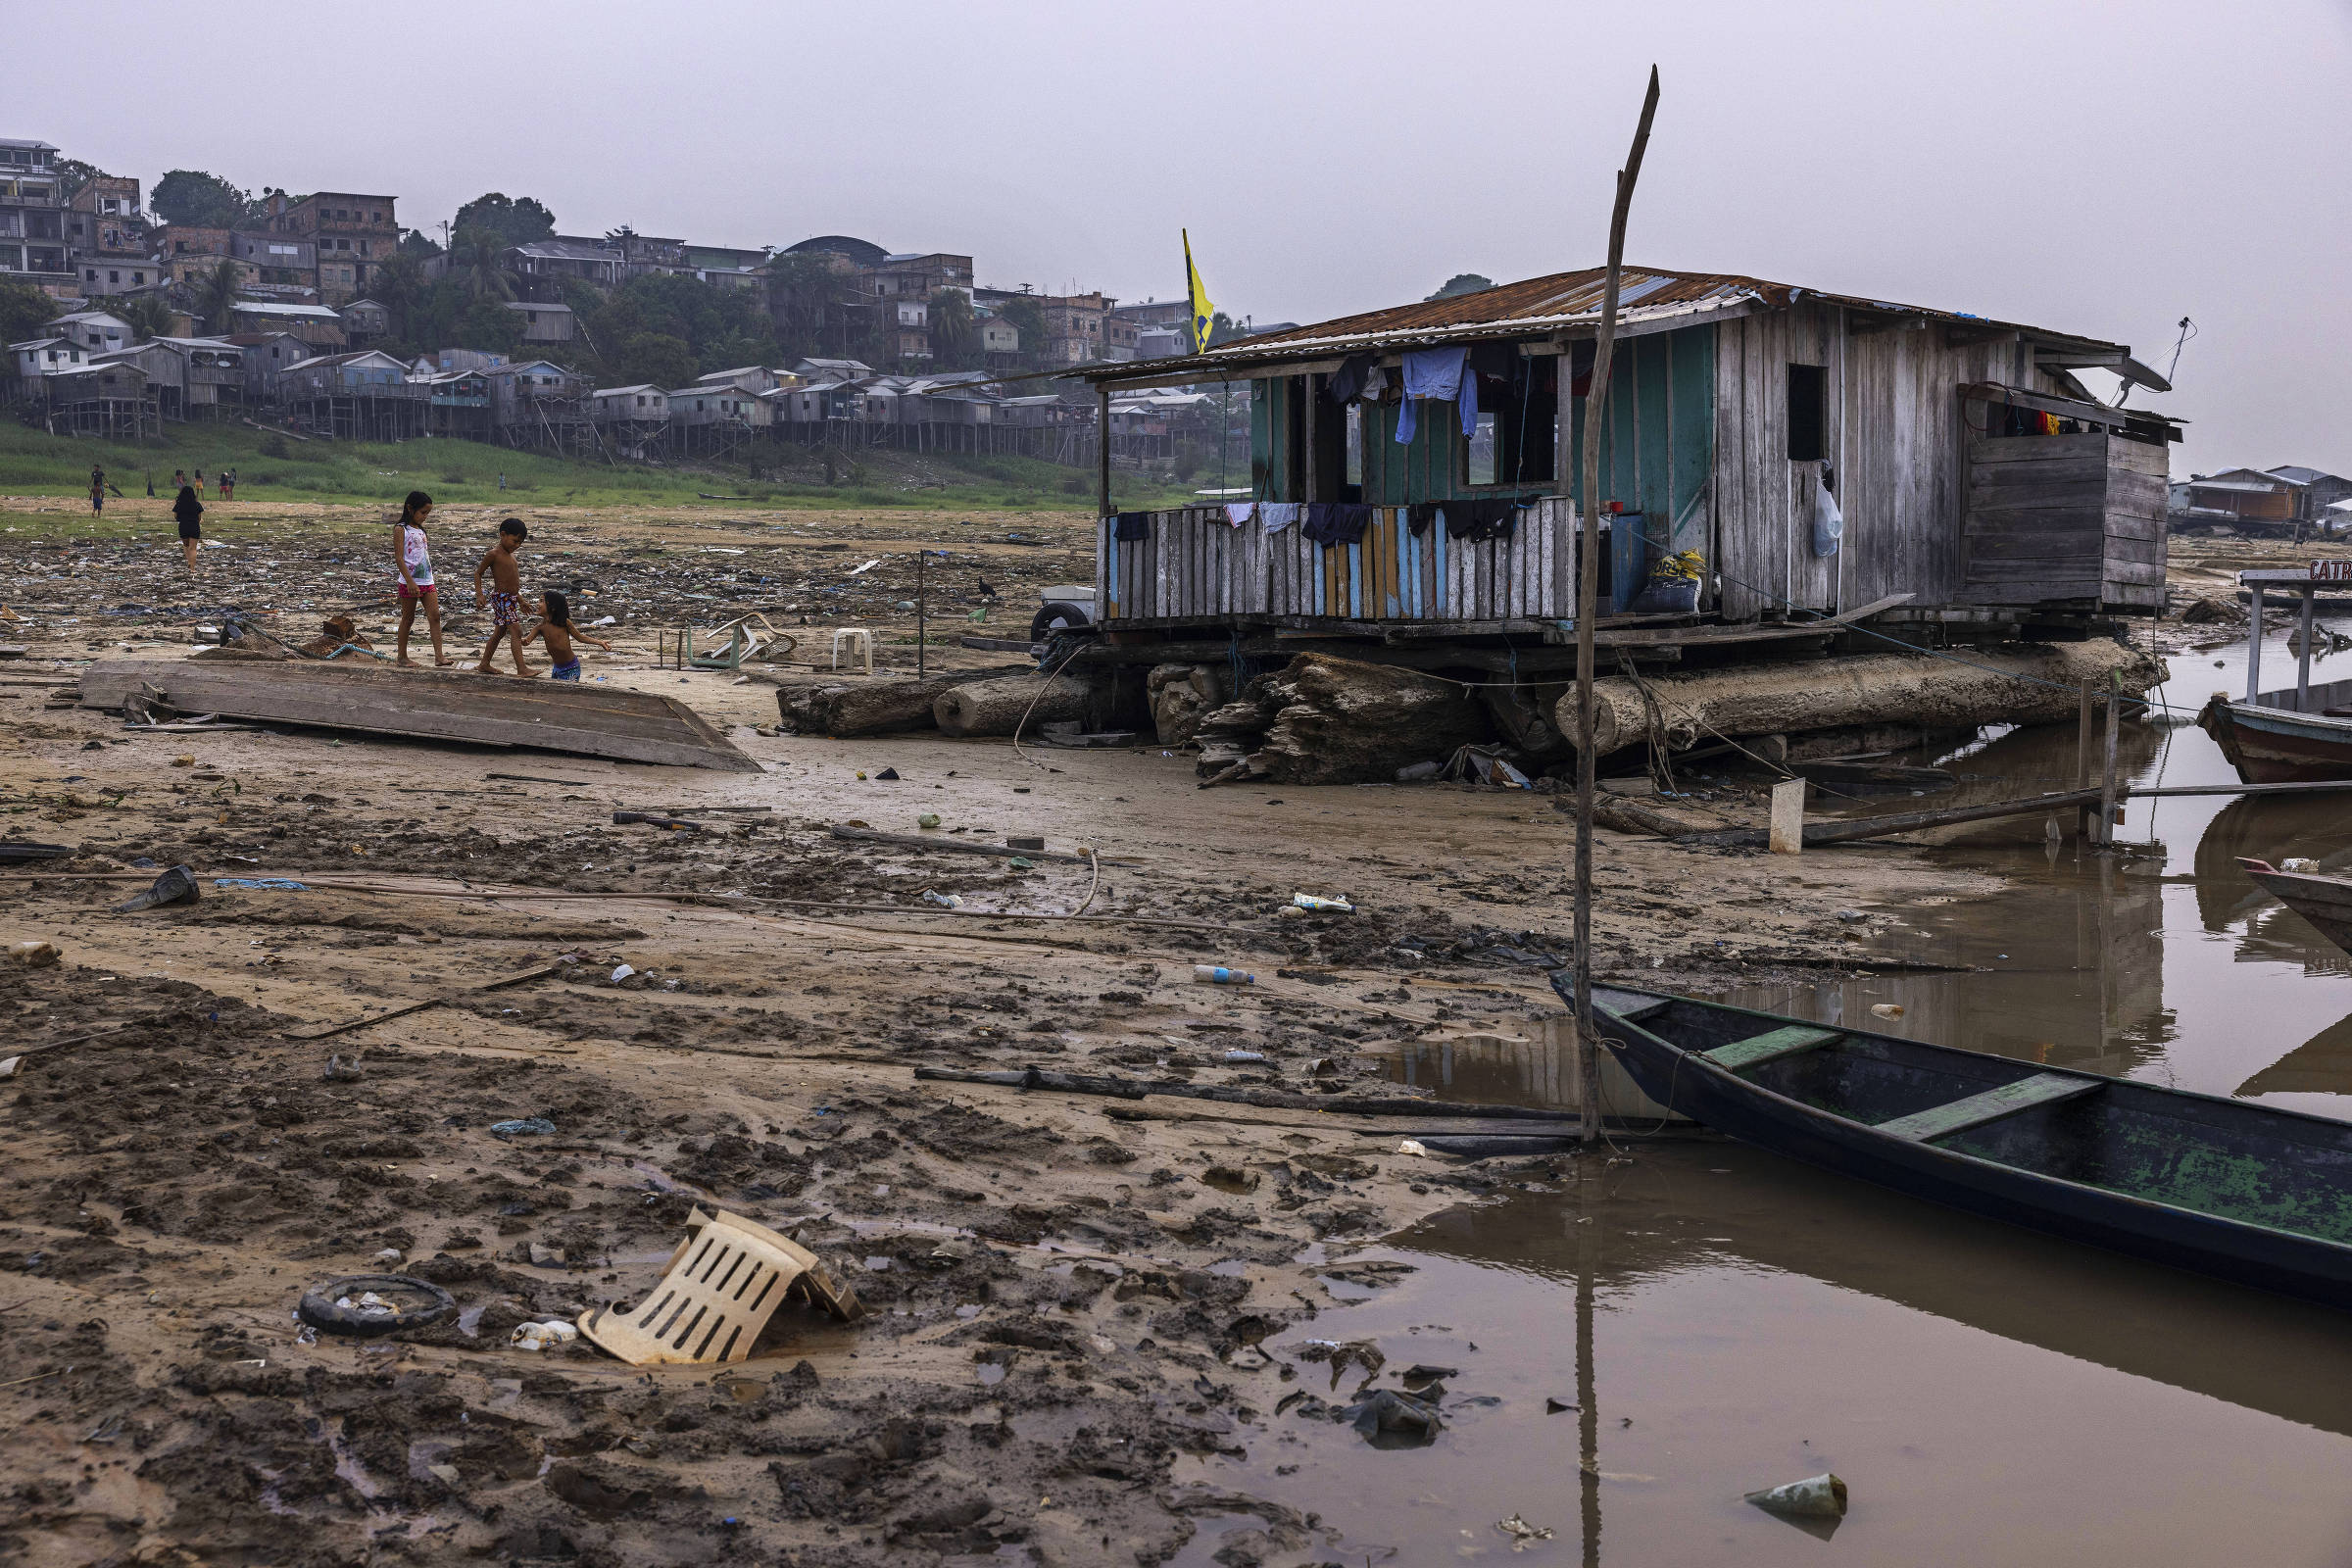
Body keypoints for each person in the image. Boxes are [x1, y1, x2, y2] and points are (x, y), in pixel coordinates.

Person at [391, 489, 452, 667]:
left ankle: (439, 657)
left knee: (435, 616)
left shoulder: (420, 530)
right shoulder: (401, 529)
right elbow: (399, 558)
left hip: (427, 580)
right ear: (410, 508)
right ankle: (402, 657)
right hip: (409, 581)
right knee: (408, 619)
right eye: (423, 512)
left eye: (428, 513)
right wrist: (410, 581)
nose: (425, 516)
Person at [471, 516, 533, 676]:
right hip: (502, 598)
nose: (517, 545)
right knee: (516, 630)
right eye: (515, 541)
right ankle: (521, 669)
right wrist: (480, 594)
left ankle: (484, 664)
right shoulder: (494, 554)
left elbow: (511, 584)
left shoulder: (512, 556)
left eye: (520, 543)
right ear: (502, 534)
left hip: (510, 599)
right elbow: (478, 573)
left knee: (499, 632)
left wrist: (520, 600)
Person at [525, 590, 611, 681]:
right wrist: (517, 635)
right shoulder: (539, 628)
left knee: (568, 692)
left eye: (541, 601)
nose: (538, 604)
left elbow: (580, 637)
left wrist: (600, 642)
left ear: (553, 607)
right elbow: (526, 641)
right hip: (557, 668)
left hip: (571, 667)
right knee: (558, 692)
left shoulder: (564, 623)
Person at [172, 484, 203, 569]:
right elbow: (199, 517)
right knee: (193, 548)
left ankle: (189, 561)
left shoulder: (179, 504)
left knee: (186, 546)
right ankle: (192, 568)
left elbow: (175, 516)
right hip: (194, 527)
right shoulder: (197, 504)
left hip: (183, 527)